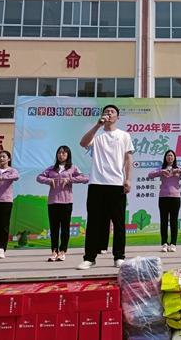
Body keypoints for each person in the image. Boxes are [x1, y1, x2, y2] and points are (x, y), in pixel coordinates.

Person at [77, 104, 133, 270]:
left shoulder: (124, 136)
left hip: (116, 184)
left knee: (119, 222)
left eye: (112, 112)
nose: (109, 114)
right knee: (93, 222)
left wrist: (128, 179)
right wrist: (97, 125)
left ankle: (119, 257)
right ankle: (90, 258)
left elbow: (128, 159)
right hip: (96, 183)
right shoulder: (97, 133)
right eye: (106, 112)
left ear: (117, 117)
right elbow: (83, 143)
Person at [36, 145, 89, 262]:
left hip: (66, 202)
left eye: (64, 153)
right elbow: (39, 177)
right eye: (59, 153)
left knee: (65, 227)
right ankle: (53, 251)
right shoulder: (51, 169)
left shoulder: (72, 168)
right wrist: (50, 180)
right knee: (54, 228)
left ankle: (63, 250)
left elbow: (83, 178)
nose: (61, 155)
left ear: (68, 155)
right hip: (53, 201)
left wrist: (69, 180)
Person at [148, 150, 181, 252]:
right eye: (168, 156)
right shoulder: (162, 169)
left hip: (175, 197)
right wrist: (162, 172)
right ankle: (164, 243)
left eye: (171, 156)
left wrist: (177, 171)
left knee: (174, 221)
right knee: (164, 221)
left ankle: (173, 243)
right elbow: (150, 175)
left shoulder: (178, 168)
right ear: (165, 158)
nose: (170, 158)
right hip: (163, 197)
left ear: (174, 157)